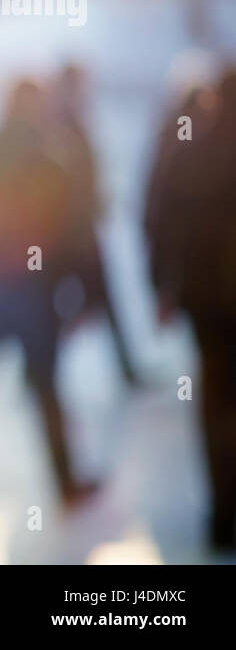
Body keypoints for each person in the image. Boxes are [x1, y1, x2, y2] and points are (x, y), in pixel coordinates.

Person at [0, 80, 98, 529]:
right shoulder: (51, 161)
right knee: (46, 392)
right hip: (29, 296)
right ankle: (65, 484)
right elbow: (72, 236)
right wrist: (80, 293)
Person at [144, 69, 236, 551]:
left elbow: (160, 224)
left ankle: (223, 514)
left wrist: (162, 288)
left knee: (216, 402)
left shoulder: (190, 152)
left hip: (207, 304)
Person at [46, 63, 141, 386]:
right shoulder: (60, 121)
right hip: (72, 234)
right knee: (74, 304)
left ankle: (125, 369)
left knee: (99, 301)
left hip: (80, 229)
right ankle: (46, 374)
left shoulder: (72, 118)